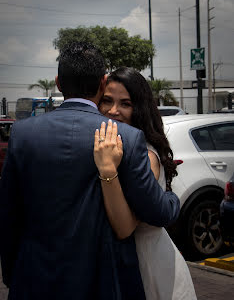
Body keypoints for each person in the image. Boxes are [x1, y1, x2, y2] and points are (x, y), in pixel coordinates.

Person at [0, 43, 180, 300]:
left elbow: (9, 215)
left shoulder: (22, 134)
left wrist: (12, 274)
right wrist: (173, 198)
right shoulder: (127, 137)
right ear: (102, 82)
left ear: (58, 83)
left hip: (34, 277)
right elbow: (159, 211)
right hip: (102, 280)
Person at [94, 67, 197, 300]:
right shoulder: (109, 147)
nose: (113, 111)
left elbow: (125, 227)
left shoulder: (146, 157)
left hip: (148, 264)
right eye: (107, 101)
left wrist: (107, 169)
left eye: (125, 104)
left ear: (139, 109)